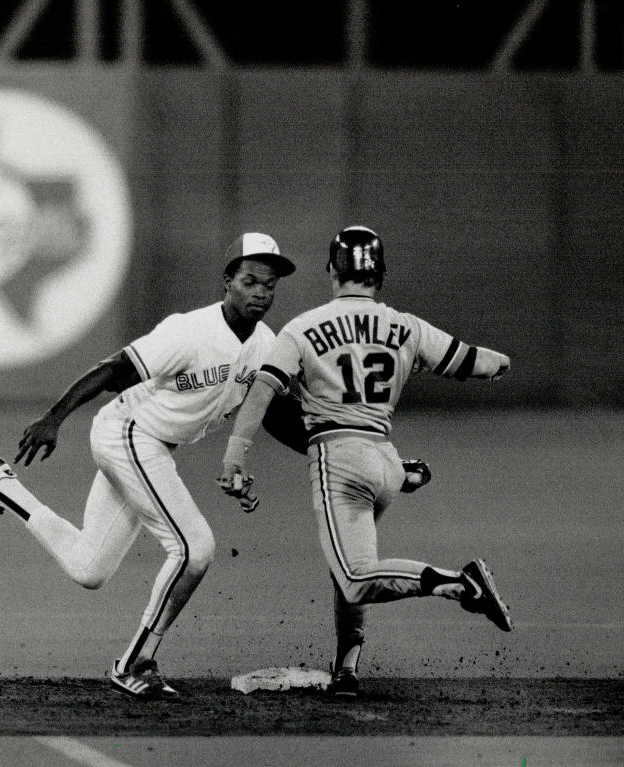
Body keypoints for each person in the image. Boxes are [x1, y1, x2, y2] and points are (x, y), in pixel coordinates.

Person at [0, 232, 295, 700]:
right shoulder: (190, 331)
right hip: (128, 436)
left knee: (89, 568)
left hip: (151, 444)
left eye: (270, 284)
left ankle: (1, 488)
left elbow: (272, 410)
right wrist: (54, 418)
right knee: (194, 549)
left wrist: (322, 446)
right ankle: (135, 662)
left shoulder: (264, 344)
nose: (261, 292)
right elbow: (114, 368)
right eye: (251, 280)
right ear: (227, 282)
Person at [218, 225, 513, 699]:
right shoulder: (407, 325)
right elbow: (472, 361)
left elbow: (265, 389)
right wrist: (502, 363)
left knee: (355, 578)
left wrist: (236, 451)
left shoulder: (303, 327)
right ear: (380, 275)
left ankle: (458, 583)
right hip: (384, 459)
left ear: (333, 271)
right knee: (351, 566)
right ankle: (347, 669)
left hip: (340, 459)